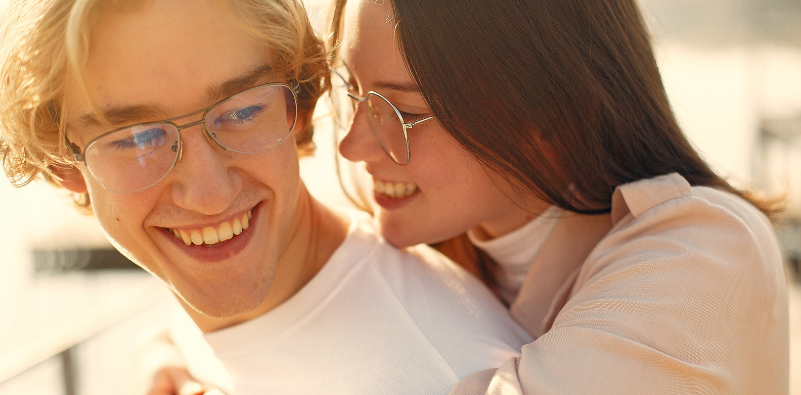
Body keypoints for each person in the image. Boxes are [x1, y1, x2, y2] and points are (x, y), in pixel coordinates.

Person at [0, 0, 533, 394]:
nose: (209, 195)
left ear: (296, 108)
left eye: (242, 111)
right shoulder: (209, 325)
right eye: (136, 139)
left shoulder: (445, 373)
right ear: (64, 167)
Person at [329, 0, 790, 393]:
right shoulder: (418, 257)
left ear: (552, 117)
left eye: (402, 112)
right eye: (353, 90)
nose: (352, 146)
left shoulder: (703, 254)